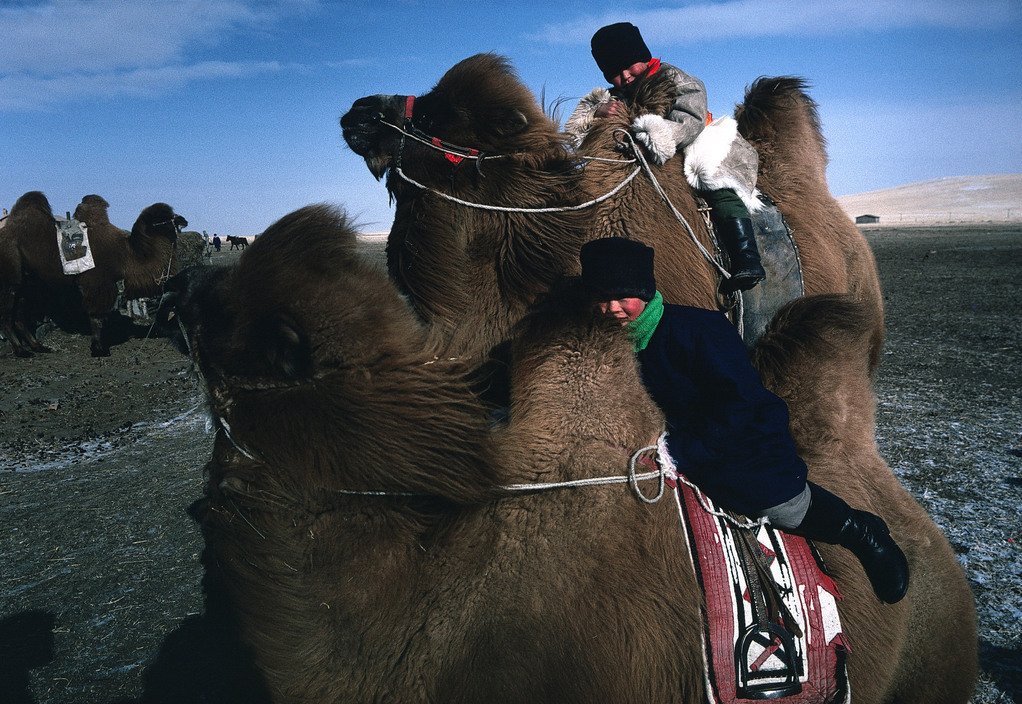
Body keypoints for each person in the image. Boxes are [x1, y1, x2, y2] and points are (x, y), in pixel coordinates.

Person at [579, 236, 910, 604]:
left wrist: (679, 450)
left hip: (734, 436)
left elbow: (739, 403)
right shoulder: (599, 338)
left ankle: (860, 532)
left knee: (777, 502)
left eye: (623, 297)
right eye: (602, 299)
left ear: (644, 291)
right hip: (659, 442)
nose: (612, 308)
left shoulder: (699, 330)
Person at [566, 22, 765, 292]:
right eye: (614, 73)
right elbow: (577, 130)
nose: (624, 76)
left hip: (692, 137)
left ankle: (746, 257)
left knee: (715, 181)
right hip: (640, 148)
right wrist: (599, 113)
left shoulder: (677, 80)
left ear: (643, 57)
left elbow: (689, 119)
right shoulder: (613, 97)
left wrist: (658, 135)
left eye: (628, 66)